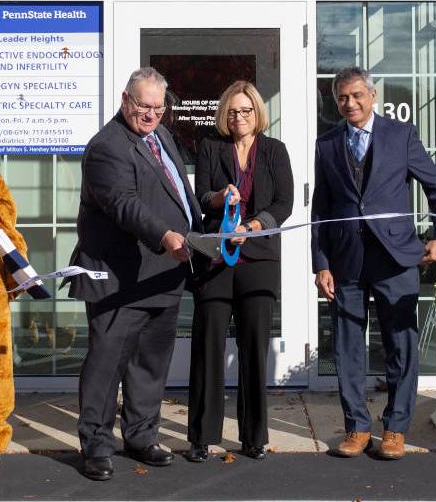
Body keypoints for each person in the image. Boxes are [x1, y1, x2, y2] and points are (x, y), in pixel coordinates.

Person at [67, 67, 203, 481]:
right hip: (118, 277)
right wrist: (165, 236)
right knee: (106, 366)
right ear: (126, 100)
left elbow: (177, 190)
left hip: (163, 273)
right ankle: (95, 444)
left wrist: (202, 215)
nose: (151, 115)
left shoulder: (160, 135)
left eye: (158, 108)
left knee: (150, 364)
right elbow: (124, 204)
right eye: (143, 106)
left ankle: (142, 436)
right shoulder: (107, 146)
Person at [311, 66, 436, 460]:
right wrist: (321, 263)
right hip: (346, 262)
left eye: (357, 95)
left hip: (396, 258)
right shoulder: (327, 143)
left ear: (372, 97)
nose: (350, 103)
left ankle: (396, 428)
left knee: (401, 345)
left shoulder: (400, 135)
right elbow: (321, 208)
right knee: (348, 347)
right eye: (342, 97)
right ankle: (356, 427)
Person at [186, 81, 294, 462]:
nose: (239, 118)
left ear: (257, 113)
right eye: (232, 111)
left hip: (259, 258)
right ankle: (201, 436)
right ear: (223, 115)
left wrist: (251, 227)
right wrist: (220, 197)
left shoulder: (275, 151)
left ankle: (253, 437)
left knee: (253, 349)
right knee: (208, 346)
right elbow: (200, 197)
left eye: (246, 110)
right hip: (216, 258)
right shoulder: (210, 147)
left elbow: (284, 204)